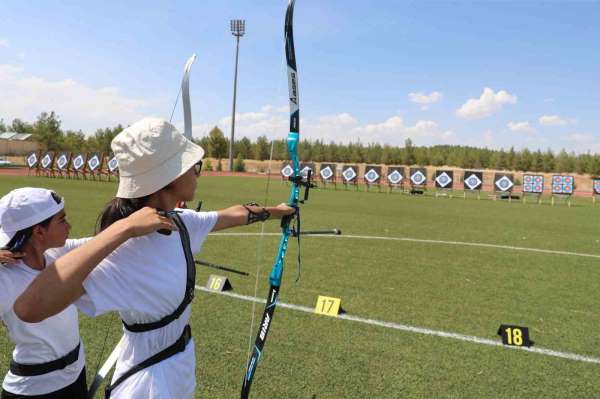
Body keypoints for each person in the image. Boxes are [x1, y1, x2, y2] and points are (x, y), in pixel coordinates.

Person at [14, 117, 295, 398]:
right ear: (169, 177)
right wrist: (124, 229)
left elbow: (231, 215)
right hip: (146, 384)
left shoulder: (181, 222)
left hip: (178, 366)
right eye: (193, 166)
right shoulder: (119, 251)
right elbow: (29, 308)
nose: (198, 172)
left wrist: (281, 210)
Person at [0, 188, 170, 399]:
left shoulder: (58, 254)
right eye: (62, 220)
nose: (69, 226)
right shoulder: (4, 278)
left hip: (75, 376)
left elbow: (102, 243)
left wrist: (157, 213)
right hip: (34, 391)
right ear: (39, 232)